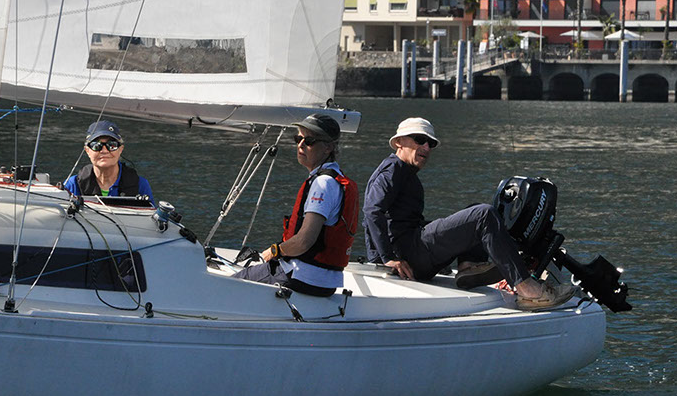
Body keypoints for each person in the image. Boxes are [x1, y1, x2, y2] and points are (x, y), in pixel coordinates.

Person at [362, 117, 577, 311]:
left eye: (431, 143)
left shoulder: (406, 173)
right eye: (420, 140)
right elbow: (372, 211)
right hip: (409, 255)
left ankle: (467, 267)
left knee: (473, 211)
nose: (426, 147)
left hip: (412, 249)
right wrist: (386, 259)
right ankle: (527, 289)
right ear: (399, 142)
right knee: (483, 215)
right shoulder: (391, 171)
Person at [234, 114, 358, 297]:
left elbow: (304, 241)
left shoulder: (323, 183)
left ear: (328, 147)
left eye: (309, 141)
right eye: (298, 139)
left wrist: (275, 250)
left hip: (301, 276)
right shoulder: (332, 179)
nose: (301, 145)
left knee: (230, 284)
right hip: (324, 281)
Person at [63, 120, 155, 204]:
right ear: (87, 150)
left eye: (112, 145)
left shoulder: (140, 184)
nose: (104, 151)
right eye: (96, 146)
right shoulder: (73, 184)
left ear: (120, 149)